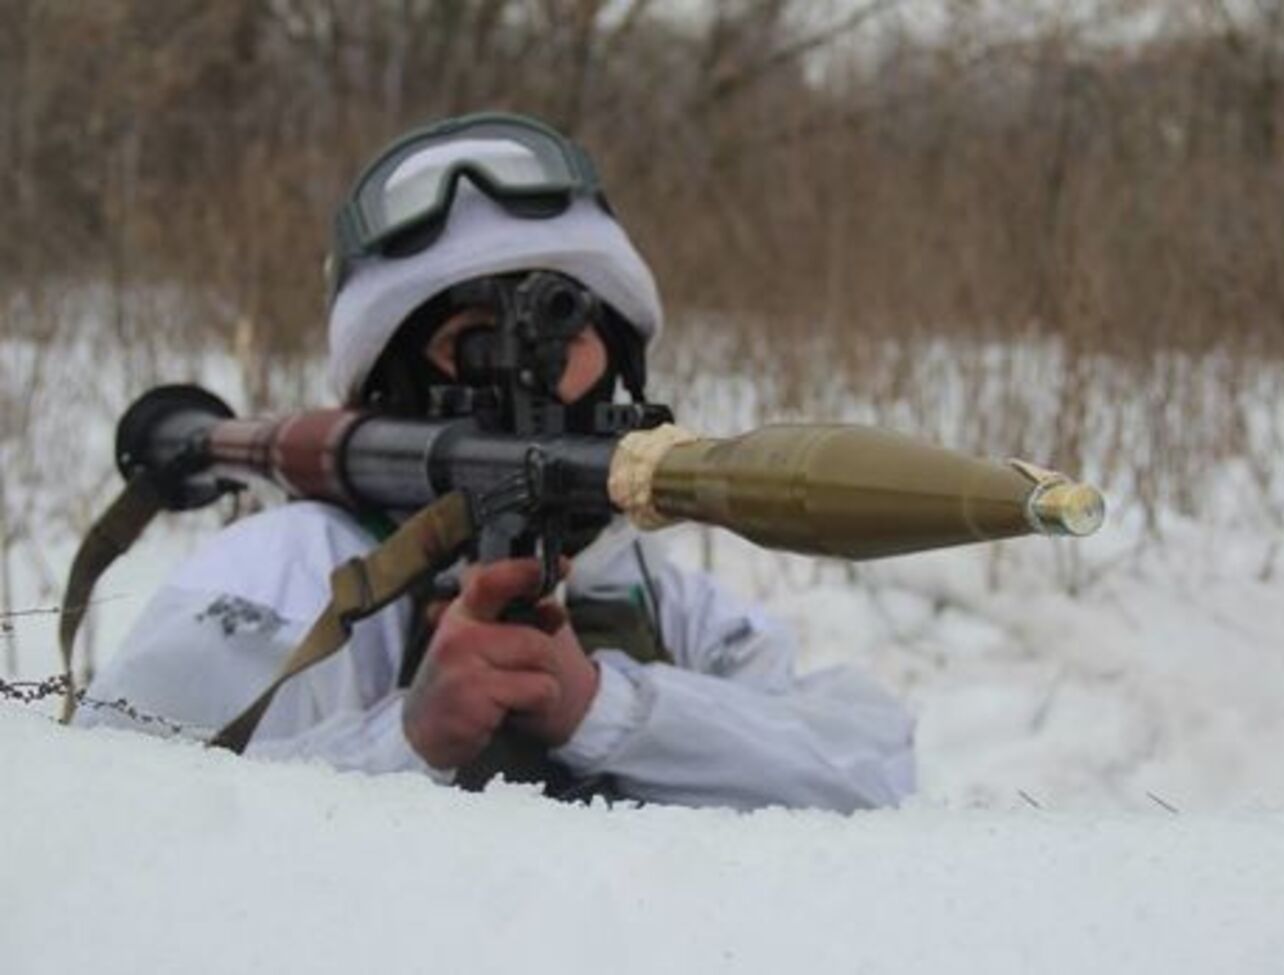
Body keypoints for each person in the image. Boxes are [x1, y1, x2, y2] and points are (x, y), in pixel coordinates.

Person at [79, 113, 915, 812]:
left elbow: (872, 777)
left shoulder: (654, 594)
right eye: (466, 340)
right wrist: (406, 740)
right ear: (397, 385)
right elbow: (123, 817)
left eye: (568, 326)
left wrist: (605, 708)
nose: (533, 371)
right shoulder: (292, 568)